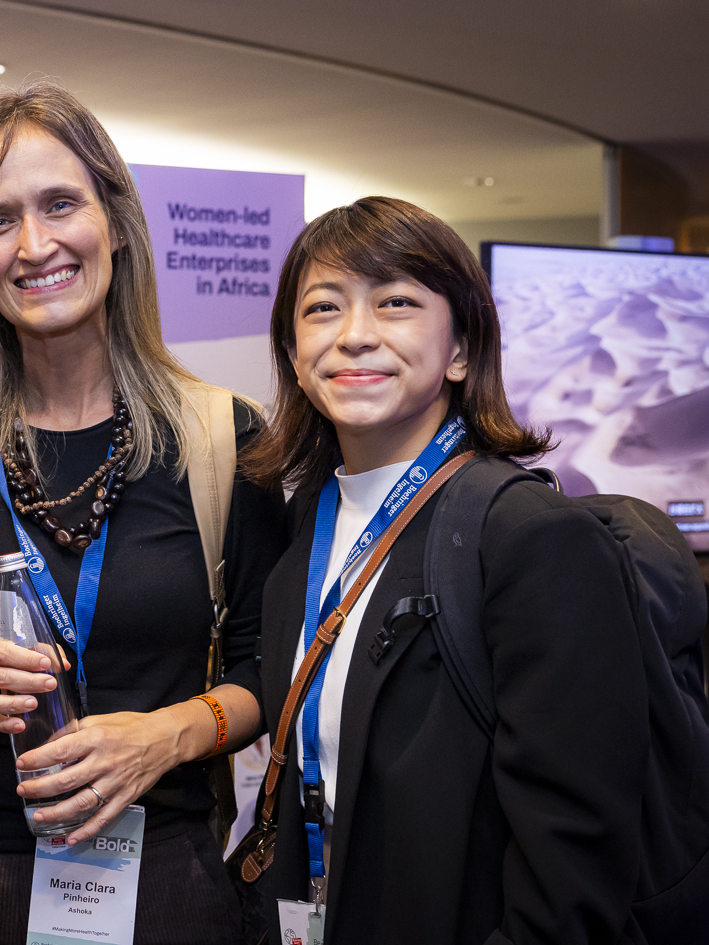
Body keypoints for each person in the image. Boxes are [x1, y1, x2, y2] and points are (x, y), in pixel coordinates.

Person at [0, 80, 287, 944]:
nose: (34, 245)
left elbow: (269, 668)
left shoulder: (221, 436)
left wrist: (167, 736)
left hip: (160, 882)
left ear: (116, 222)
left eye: (61, 204)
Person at [229, 195, 682, 943]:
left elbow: (575, 868)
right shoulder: (306, 521)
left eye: (396, 302)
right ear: (294, 355)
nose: (354, 334)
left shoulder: (533, 538)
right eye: (322, 308)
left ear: (461, 350)